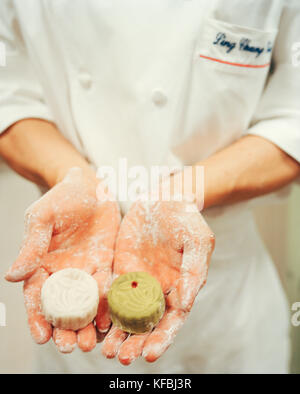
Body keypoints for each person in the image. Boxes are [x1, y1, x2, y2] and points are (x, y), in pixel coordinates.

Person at [0, 0, 300, 374]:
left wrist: (182, 193)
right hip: (79, 279)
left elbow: (293, 121)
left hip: (223, 304)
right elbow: (10, 97)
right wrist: (70, 174)